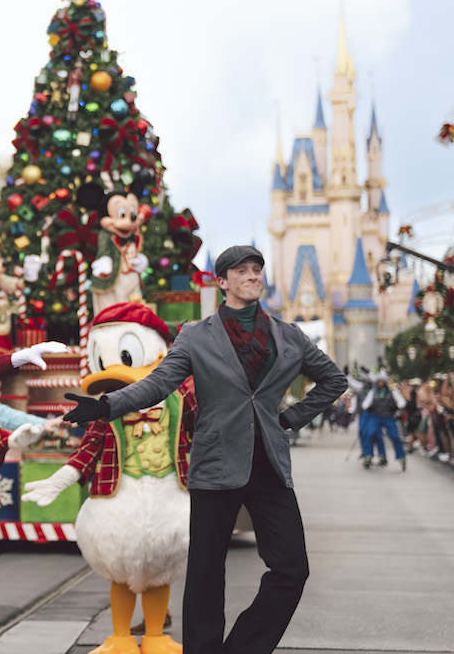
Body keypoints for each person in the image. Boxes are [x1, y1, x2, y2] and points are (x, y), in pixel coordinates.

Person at [60, 245, 347, 654]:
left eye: (257, 270)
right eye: (242, 271)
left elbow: (334, 380)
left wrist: (288, 419)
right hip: (215, 464)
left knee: (292, 569)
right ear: (223, 281)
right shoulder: (196, 335)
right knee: (206, 573)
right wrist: (107, 405)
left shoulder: (289, 336)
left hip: (269, 465)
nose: (252, 276)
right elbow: (159, 384)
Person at [362, 373, 407, 470]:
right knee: (370, 434)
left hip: (389, 417)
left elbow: (402, 402)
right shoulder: (373, 392)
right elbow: (365, 404)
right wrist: (369, 408)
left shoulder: (392, 392)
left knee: (395, 437)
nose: (380, 383)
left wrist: (396, 407)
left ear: (385, 382)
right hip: (376, 416)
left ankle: (401, 457)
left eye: (382, 381)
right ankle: (368, 456)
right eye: (379, 381)